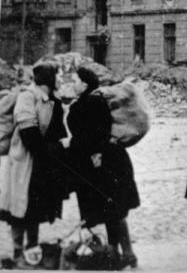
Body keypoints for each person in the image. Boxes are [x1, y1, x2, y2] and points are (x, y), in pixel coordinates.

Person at [68, 65, 140, 269]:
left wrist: (95, 154)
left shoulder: (91, 102)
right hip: (102, 162)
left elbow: (97, 131)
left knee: (110, 210)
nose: (72, 84)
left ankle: (117, 254)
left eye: (74, 81)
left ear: (84, 84)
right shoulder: (88, 101)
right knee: (113, 210)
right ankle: (122, 254)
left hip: (101, 164)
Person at [0, 59, 68, 266]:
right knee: (19, 209)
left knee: (35, 208)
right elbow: (29, 134)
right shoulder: (27, 98)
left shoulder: (52, 101)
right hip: (25, 160)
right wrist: (52, 151)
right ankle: (19, 252)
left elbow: (58, 131)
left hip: (41, 163)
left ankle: (32, 249)